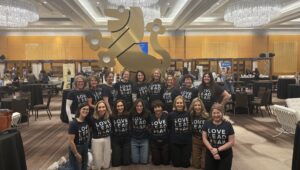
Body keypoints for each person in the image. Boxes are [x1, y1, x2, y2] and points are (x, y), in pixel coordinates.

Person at [202, 103, 235, 170]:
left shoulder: (228, 125)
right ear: (211, 113)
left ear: (222, 113)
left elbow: (231, 142)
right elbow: (204, 138)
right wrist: (212, 150)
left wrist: (217, 150)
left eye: (218, 113)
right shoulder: (207, 123)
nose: (216, 115)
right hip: (210, 153)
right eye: (214, 113)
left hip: (225, 154)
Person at [168, 96, 192, 168]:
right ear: (175, 104)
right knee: (176, 164)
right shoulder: (171, 115)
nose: (179, 104)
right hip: (175, 142)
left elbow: (190, 125)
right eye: (177, 103)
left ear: (183, 104)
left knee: (185, 165)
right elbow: (169, 127)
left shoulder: (188, 114)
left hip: (186, 142)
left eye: (181, 103)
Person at [90, 101, 112, 169]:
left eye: (103, 107)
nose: (102, 109)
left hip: (107, 139)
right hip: (97, 140)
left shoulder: (108, 117)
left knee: (106, 164)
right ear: (96, 109)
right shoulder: (92, 118)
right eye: (99, 107)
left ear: (106, 108)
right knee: (97, 164)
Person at [68, 104, 90, 170]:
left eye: (87, 109)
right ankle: (59, 167)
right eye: (84, 109)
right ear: (79, 110)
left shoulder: (87, 121)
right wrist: (76, 153)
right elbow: (71, 141)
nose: (85, 111)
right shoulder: (73, 123)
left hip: (85, 145)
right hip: (76, 147)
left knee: (84, 165)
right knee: (75, 167)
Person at [189, 98, 209, 169]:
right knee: (196, 165)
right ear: (193, 106)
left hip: (205, 140)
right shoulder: (191, 115)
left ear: (202, 106)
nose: (197, 107)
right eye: (195, 105)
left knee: (204, 166)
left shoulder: (207, 116)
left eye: (199, 105)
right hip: (195, 139)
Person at [110, 100, 131, 167]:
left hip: (126, 139)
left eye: (121, 106)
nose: (120, 107)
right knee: (116, 163)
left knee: (126, 162)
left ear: (124, 106)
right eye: (118, 106)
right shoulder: (112, 116)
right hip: (116, 139)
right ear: (115, 107)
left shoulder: (128, 115)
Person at [149, 100, 170, 165]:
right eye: (155, 107)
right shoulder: (150, 116)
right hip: (154, 142)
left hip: (165, 142)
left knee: (166, 162)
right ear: (153, 109)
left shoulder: (166, 115)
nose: (157, 109)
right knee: (156, 163)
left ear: (162, 108)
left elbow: (169, 127)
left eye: (159, 107)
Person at [130, 99, 150, 164]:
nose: (139, 107)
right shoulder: (131, 113)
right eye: (137, 106)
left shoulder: (147, 113)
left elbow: (150, 125)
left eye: (141, 106)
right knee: (135, 161)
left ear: (143, 106)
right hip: (134, 140)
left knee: (144, 162)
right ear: (135, 106)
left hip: (144, 140)